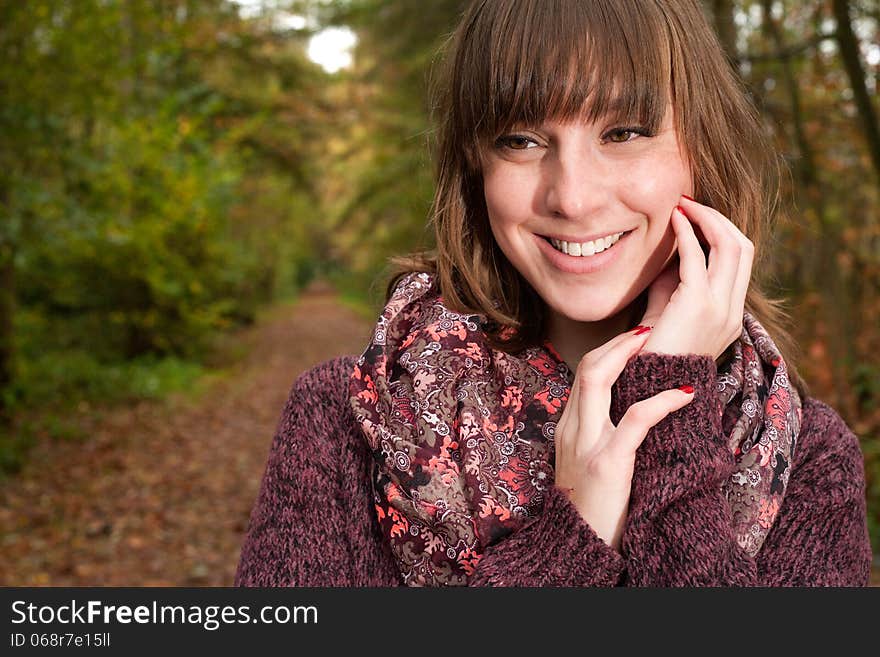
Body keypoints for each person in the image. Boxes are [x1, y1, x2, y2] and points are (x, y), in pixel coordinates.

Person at [235, 0, 873, 586]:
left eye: (623, 132)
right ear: (476, 167)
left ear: (703, 150)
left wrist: (667, 412)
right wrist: (572, 543)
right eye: (522, 140)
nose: (572, 197)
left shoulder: (807, 462)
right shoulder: (345, 421)